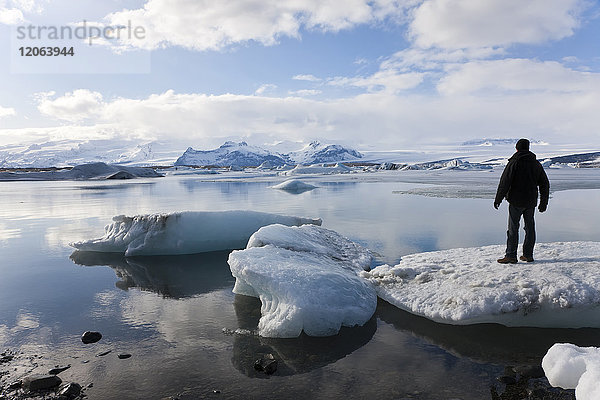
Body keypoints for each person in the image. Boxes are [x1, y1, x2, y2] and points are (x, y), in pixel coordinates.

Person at [494, 138, 549, 264]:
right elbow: (545, 184)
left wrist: (498, 199)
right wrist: (543, 203)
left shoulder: (514, 162)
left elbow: (505, 182)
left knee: (513, 228)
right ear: (528, 148)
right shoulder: (536, 164)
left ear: (517, 148)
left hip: (516, 201)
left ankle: (511, 256)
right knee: (530, 228)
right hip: (530, 202)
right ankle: (528, 255)